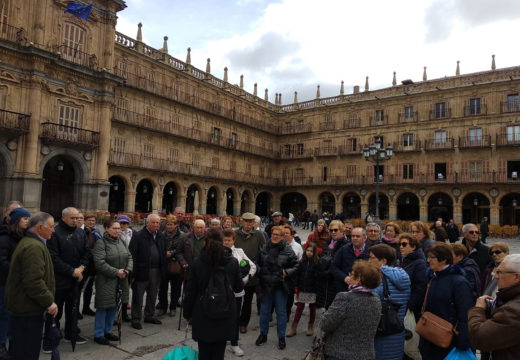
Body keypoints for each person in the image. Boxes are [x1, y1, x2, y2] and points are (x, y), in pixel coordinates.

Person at [183, 229, 243, 360]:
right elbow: (238, 287)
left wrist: (187, 313)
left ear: (205, 242)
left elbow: (190, 291)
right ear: (222, 242)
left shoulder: (197, 262)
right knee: (219, 353)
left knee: (204, 352)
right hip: (225, 309)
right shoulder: (232, 262)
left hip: (203, 310)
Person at [5, 212, 58, 360]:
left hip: (26, 308)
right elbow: (33, 281)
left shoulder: (32, 242)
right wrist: (49, 301)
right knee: (26, 351)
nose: (53, 230)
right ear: (40, 227)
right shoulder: (33, 247)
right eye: (51, 227)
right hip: (27, 310)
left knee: (20, 349)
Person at [419, 243, 474, 360]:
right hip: (430, 338)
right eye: (427, 257)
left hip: (448, 340)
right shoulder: (433, 277)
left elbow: (466, 313)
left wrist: (463, 341)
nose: (428, 260)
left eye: (431, 257)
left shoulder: (459, 282)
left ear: (443, 259)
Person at [45, 207, 91, 347]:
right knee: (55, 311)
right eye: (72, 218)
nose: (76, 220)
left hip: (75, 279)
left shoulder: (80, 232)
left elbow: (87, 252)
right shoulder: (55, 233)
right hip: (59, 280)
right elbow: (53, 258)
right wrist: (72, 271)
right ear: (64, 217)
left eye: (77, 218)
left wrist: (81, 268)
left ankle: (71, 333)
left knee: (73, 308)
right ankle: (51, 337)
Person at [320, 261, 382, 360]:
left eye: (352, 274)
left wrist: (325, 314)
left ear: (358, 279)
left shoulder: (344, 298)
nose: (349, 277)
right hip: (366, 355)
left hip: (340, 354)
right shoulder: (376, 298)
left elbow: (326, 324)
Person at [468, 254, 520, 360]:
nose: (495, 276)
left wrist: (478, 310)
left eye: (500, 272)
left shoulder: (513, 310)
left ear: (517, 276)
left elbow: (480, 338)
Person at [255, 226, 298, 350]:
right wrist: (259, 271)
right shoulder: (264, 247)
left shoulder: (287, 249)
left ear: (282, 236)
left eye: (278, 234)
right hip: (265, 284)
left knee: (281, 313)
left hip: (280, 286)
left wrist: (287, 272)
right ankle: (263, 334)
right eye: (273, 234)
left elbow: (296, 264)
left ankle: (281, 337)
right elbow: (257, 262)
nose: (275, 236)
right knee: (264, 312)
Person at [93, 218, 133, 345]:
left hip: (121, 279)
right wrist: (116, 272)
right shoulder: (101, 243)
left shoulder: (121, 241)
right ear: (106, 228)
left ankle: (108, 331)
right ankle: (99, 334)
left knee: (114, 306)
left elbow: (129, 256)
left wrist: (127, 270)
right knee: (103, 306)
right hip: (106, 280)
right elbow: (99, 263)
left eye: (118, 228)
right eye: (114, 228)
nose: (117, 230)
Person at [369, 244, 411, 360]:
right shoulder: (404, 275)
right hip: (397, 329)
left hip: (381, 330)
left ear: (383, 261)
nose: (368, 261)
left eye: (372, 258)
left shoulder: (379, 278)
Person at [0, 207, 30, 359]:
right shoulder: (5, 238)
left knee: (13, 314)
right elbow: (2, 262)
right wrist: (20, 270)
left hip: (18, 284)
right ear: (17, 221)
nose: (28, 222)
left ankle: (12, 341)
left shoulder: (24, 237)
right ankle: (1, 344)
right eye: (25, 219)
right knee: (4, 313)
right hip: (5, 283)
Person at [129, 214, 167, 329]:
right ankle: (136, 318)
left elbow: (163, 252)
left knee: (152, 294)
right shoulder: (138, 236)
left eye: (157, 223)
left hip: (156, 270)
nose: (156, 225)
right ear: (147, 223)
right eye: (153, 222)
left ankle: (149, 315)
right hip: (142, 269)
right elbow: (132, 254)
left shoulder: (160, 235)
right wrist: (132, 273)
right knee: (138, 295)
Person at [222, 228, 256, 357]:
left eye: (229, 240)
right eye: (224, 240)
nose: (226, 242)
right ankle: (220, 341)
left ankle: (234, 343)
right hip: (222, 293)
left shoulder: (239, 252)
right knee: (221, 317)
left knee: (235, 318)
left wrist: (244, 281)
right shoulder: (217, 253)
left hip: (236, 293)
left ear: (233, 240)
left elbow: (252, 266)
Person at [234, 212, 265, 334]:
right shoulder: (235, 234)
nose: (248, 224)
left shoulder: (258, 235)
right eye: (246, 222)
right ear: (242, 222)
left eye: (251, 222)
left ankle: (243, 323)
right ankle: (233, 321)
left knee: (247, 300)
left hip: (251, 273)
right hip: (236, 272)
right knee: (235, 299)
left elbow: (264, 251)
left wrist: (257, 266)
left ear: (253, 223)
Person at [287, 242, 319, 338]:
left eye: (311, 251)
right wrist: (296, 285)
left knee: (312, 308)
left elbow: (318, 277)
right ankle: (293, 327)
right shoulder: (302, 262)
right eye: (307, 250)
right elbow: (297, 274)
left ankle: (310, 326)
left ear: (314, 253)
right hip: (302, 288)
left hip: (312, 289)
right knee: (299, 308)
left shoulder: (317, 263)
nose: (309, 253)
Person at [317, 220, 348, 308]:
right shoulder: (328, 242)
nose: (333, 232)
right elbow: (322, 257)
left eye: (335, 230)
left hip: (336, 283)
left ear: (342, 231)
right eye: (331, 230)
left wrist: (328, 272)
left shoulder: (346, 245)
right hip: (325, 282)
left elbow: (342, 264)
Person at [330, 226, 371, 293]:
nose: (354, 238)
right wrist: (345, 278)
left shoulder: (370, 251)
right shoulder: (344, 249)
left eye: (358, 236)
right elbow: (334, 267)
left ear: (364, 238)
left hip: (364, 289)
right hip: (344, 288)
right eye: (353, 236)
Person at [157, 215, 183, 317]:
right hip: (164, 264)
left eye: (171, 224)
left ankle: (172, 307)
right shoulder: (161, 235)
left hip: (176, 264)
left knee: (176, 288)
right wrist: (164, 252)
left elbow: (181, 249)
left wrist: (172, 253)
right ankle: (163, 307)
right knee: (162, 287)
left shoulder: (182, 236)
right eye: (167, 224)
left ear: (176, 225)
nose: (169, 226)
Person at [398, 233, 428, 320]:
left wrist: (410, 306)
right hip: (402, 304)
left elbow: (420, 287)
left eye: (404, 244)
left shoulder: (419, 263)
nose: (401, 247)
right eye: (399, 244)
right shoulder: (403, 259)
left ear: (413, 247)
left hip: (410, 308)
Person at [82, 213, 102, 317]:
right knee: (81, 287)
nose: (91, 222)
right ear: (85, 221)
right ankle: (76, 311)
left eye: (93, 221)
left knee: (89, 288)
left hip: (93, 264)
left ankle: (86, 307)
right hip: (84, 264)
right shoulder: (82, 231)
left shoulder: (97, 231)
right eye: (89, 220)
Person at [282, 224, 302, 320]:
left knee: (289, 296)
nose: (285, 235)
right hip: (280, 274)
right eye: (283, 233)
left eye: (287, 233)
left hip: (291, 275)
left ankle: (287, 313)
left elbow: (300, 261)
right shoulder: (278, 244)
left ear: (291, 234)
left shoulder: (297, 247)